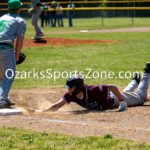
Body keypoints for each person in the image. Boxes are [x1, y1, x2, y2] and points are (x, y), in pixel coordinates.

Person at [35, 63, 150, 113]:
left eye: (70, 87)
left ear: (78, 87)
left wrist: (122, 101)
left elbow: (113, 87)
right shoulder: (71, 95)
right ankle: (135, 81)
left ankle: (147, 72)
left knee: (140, 98)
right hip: (113, 97)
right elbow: (57, 105)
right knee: (126, 93)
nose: (68, 89)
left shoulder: (91, 90)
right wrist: (42, 111)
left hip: (114, 100)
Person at [0, 0, 26, 108]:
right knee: (9, 74)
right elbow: (20, 39)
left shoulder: (2, 18)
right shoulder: (20, 20)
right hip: (6, 48)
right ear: (18, 8)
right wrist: (17, 54)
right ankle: (2, 100)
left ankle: (3, 96)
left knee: (1, 75)